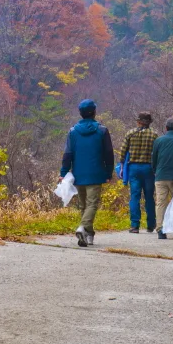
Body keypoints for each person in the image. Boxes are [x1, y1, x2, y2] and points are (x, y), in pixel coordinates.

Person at [60, 99, 114, 247]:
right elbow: (108, 153)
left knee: (84, 205)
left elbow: (68, 153)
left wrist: (64, 172)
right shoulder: (102, 130)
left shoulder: (73, 131)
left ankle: (89, 235)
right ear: (94, 112)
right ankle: (83, 228)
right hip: (96, 173)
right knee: (92, 204)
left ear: (80, 113)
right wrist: (109, 172)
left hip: (78, 173)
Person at [117, 112, 158, 233]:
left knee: (134, 196)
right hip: (149, 168)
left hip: (134, 168)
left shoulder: (130, 133)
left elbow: (123, 151)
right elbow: (157, 153)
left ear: (139, 122)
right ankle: (151, 224)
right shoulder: (154, 135)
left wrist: (122, 165)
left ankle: (135, 225)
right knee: (149, 197)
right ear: (149, 122)